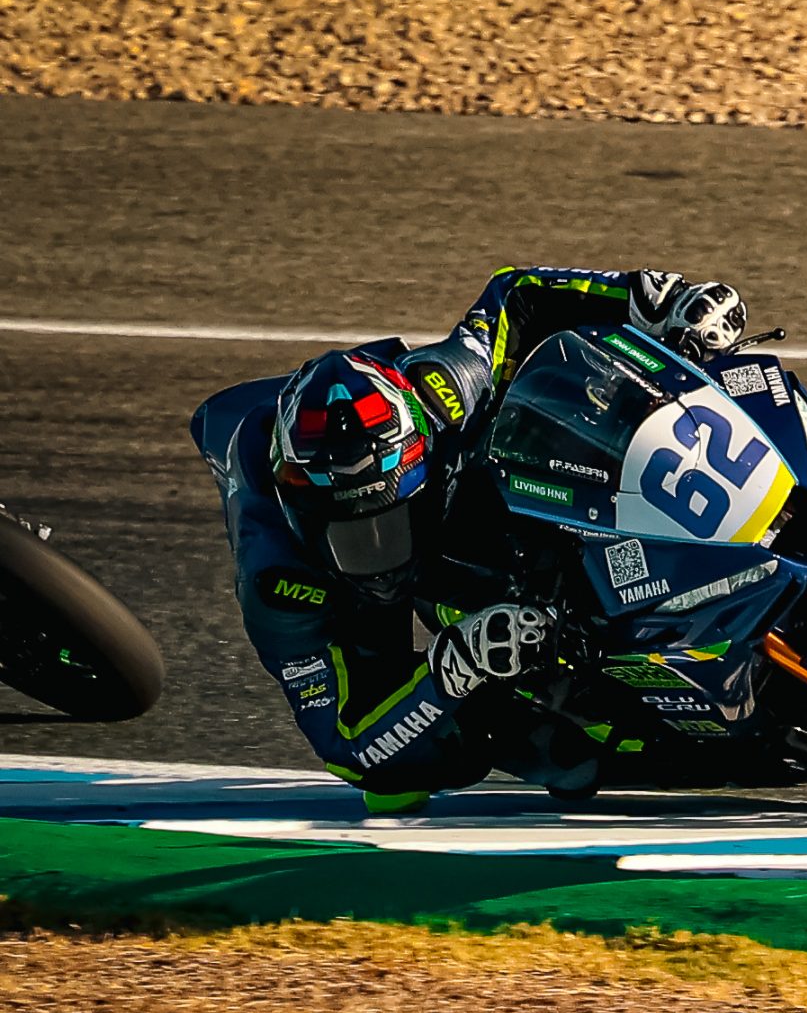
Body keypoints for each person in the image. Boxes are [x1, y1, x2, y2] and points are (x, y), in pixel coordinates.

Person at [191, 267, 748, 812]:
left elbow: (519, 294)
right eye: (355, 536)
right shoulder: (279, 581)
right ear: (304, 516)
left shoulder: (444, 389)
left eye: (388, 524)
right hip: (348, 601)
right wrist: (454, 668)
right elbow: (347, 746)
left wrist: (649, 302)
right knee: (398, 777)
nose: (378, 553)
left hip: (442, 484)